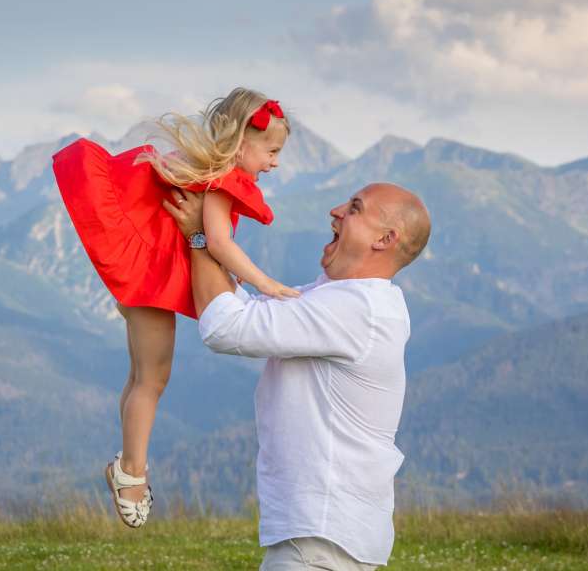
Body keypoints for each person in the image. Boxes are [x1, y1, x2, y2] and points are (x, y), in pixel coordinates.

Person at [50, 87, 299, 528]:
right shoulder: (223, 181)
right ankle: (131, 474)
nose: (275, 162)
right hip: (149, 278)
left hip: (141, 267)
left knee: (140, 375)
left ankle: (128, 463)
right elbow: (218, 242)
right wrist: (265, 283)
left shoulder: (206, 171)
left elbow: (209, 241)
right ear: (243, 142)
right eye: (272, 151)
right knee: (152, 379)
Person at [163, 182, 431, 569]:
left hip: (321, 541)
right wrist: (211, 240)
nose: (336, 210)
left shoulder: (356, 308)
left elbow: (226, 327)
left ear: (385, 239)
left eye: (355, 208)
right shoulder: (347, 299)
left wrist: (199, 236)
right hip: (328, 537)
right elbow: (247, 308)